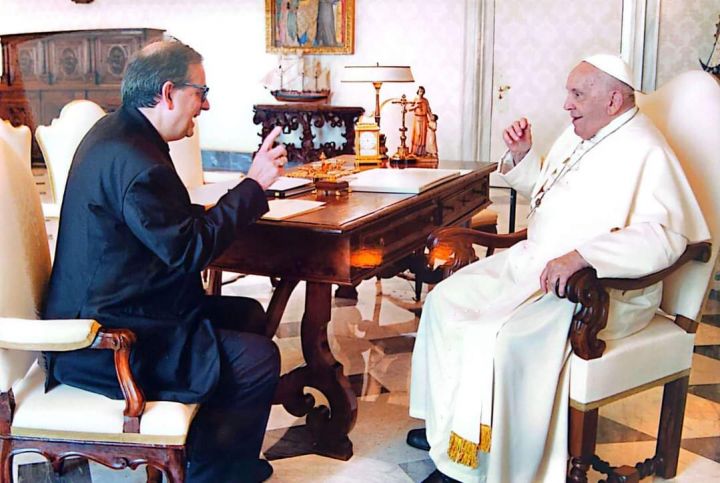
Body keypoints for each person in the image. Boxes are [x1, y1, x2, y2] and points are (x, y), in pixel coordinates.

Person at [406, 54, 709, 483]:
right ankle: (451, 428)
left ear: (614, 99)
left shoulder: (646, 148)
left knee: (501, 337)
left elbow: (667, 238)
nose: (566, 104)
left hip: (601, 290)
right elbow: (551, 195)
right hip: (535, 263)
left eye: (577, 94)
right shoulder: (581, 134)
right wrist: (524, 155)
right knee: (443, 301)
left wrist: (586, 256)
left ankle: (488, 463)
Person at [42, 40, 288, 483]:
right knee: (258, 358)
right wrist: (252, 186)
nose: (206, 105)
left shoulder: (124, 134)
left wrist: (238, 196)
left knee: (249, 313)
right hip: (103, 340)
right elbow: (188, 251)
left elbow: (166, 228)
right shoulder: (138, 160)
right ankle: (215, 476)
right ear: (169, 92)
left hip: (127, 306)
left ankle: (209, 457)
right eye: (202, 92)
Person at [410, 86, 432, 157]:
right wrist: (415, 107)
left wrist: (431, 116)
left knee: (423, 135)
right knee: (418, 134)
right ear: (418, 91)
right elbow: (410, 108)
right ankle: (415, 151)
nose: (421, 93)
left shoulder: (425, 100)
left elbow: (428, 109)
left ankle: (421, 152)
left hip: (424, 119)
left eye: (422, 91)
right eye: (420, 91)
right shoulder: (415, 99)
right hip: (417, 118)